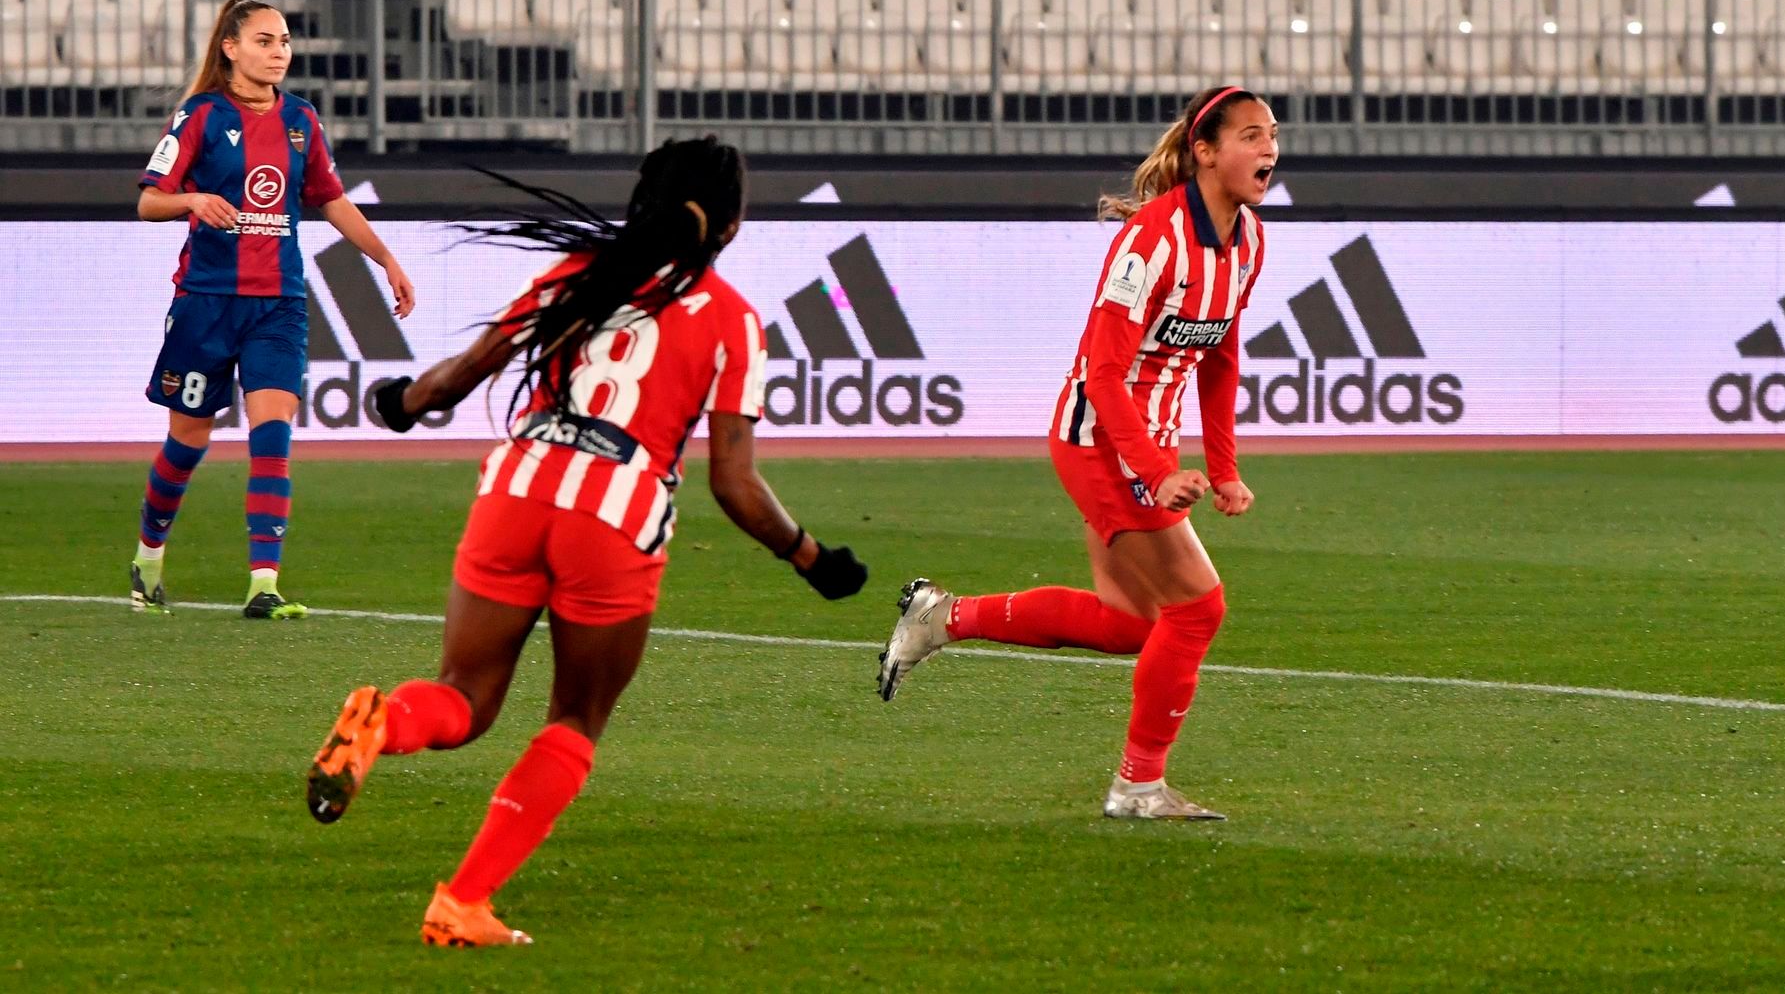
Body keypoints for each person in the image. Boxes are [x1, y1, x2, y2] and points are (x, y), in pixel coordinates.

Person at [303, 137, 868, 947]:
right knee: (574, 718)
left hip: (518, 481)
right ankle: (462, 903)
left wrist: (401, 403)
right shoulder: (733, 319)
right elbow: (734, 483)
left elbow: (458, 376)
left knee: (463, 694)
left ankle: (382, 723)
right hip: (616, 508)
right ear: (732, 226)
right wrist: (812, 558)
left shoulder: (576, 274)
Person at [877, 87, 1278, 821]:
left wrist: (1223, 469)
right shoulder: (1151, 241)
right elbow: (1104, 372)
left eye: (1272, 134)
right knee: (1197, 609)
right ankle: (1138, 787)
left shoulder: (1248, 239)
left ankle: (943, 617)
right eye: (1251, 135)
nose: (1270, 148)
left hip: (1143, 449)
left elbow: (1221, 355)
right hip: (1101, 443)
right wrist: (1156, 472)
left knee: (1131, 623)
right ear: (1205, 151)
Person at [130, 0, 414, 619]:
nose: (279, 51)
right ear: (230, 48)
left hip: (279, 303)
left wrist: (385, 259)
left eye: (284, 40)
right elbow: (149, 201)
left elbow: (331, 199)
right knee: (187, 442)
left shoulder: (301, 119)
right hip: (207, 302)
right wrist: (192, 201)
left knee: (272, 437)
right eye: (264, 40)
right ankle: (148, 557)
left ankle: (264, 584)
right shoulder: (200, 115)